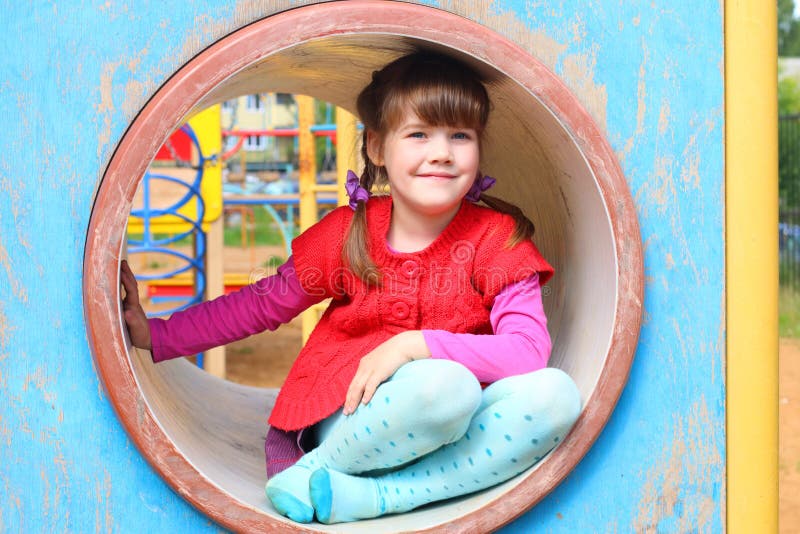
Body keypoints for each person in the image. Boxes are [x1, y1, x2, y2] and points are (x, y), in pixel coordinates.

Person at [120, 51, 581, 525]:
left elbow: (528, 352)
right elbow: (262, 306)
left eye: (460, 136)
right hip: (357, 415)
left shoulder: (496, 238)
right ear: (378, 148)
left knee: (556, 395)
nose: (441, 151)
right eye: (419, 133)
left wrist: (414, 344)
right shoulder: (351, 233)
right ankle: (316, 467)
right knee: (444, 385)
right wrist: (157, 335)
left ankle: (381, 497)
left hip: (457, 422)